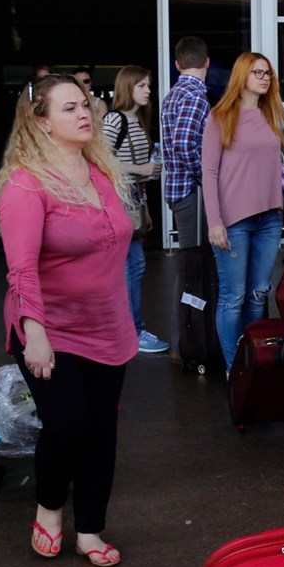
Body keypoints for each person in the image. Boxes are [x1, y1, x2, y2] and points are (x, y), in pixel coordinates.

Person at [0, 74, 137, 567]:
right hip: (49, 328)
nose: (85, 115)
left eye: (87, 106)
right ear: (42, 122)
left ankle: (91, 529)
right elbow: (21, 268)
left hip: (107, 326)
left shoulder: (100, 172)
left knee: (101, 430)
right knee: (67, 423)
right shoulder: (25, 185)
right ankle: (50, 509)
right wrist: (34, 332)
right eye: (71, 108)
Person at [201, 51, 284, 373]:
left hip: (270, 217)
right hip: (233, 220)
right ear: (242, 76)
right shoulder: (221, 116)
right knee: (234, 297)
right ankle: (233, 369)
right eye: (257, 73)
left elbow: (277, 167)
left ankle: (256, 365)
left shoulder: (271, 115)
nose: (265, 78)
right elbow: (208, 171)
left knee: (257, 294)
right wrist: (214, 223)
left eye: (268, 73)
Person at [102, 66, 168, 355]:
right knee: (131, 265)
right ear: (128, 88)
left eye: (148, 86)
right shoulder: (115, 120)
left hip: (133, 200)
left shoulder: (135, 121)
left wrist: (146, 209)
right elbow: (99, 160)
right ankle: (133, 330)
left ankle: (128, 328)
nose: (147, 91)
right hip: (120, 199)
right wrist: (141, 168)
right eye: (142, 85)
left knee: (134, 265)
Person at [161, 36, 212, 355]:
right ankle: (189, 343)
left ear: (178, 64)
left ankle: (188, 339)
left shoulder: (173, 95)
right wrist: (204, 176)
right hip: (191, 193)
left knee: (190, 267)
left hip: (179, 191)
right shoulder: (194, 96)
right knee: (194, 269)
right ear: (207, 62)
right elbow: (183, 144)